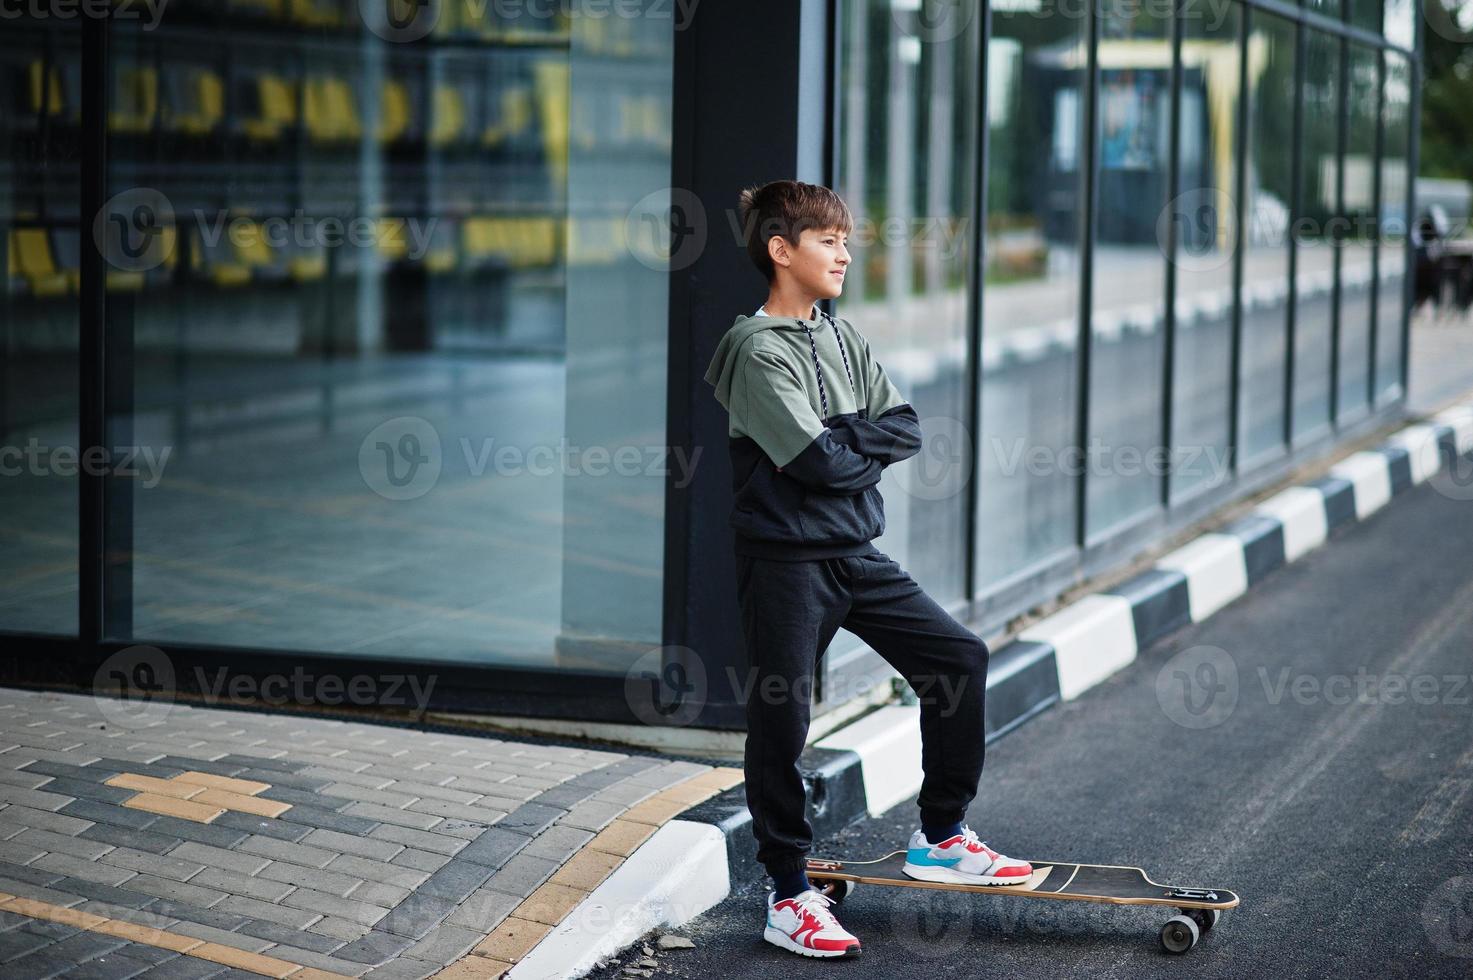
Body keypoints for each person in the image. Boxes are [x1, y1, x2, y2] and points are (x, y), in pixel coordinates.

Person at [702, 180, 1032, 960]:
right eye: (828, 240)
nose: (845, 253)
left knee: (957, 659)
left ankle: (942, 836)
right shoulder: (754, 350)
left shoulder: (840, 337)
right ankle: (787, 893)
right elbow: (817, 463)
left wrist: (847, 440)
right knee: (781, 721)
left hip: (854, 553)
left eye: (846, 239)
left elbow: (905, 427)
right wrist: (851, 443)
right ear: (781, 251)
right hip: (785, 564)